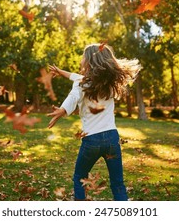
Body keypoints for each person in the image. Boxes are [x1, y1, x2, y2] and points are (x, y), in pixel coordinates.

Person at [47, 43, 142, 201]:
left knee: (79, 177)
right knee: (118, 183)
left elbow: (73, 96)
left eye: (84, 57)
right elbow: (75, 77)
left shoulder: (82, 84)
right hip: (112, 138)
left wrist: (63, 110)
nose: (82, 60)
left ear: (89, 61)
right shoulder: (110, 84)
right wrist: (61, 72)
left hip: (92, 140)